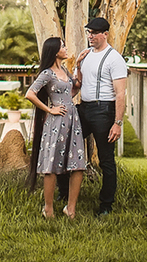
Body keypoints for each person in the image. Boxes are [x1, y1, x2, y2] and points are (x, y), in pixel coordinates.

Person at [64, 16, 128, 217]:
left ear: (105, 34)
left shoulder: (114, 59)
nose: (90, 36)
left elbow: (120, 93)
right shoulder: (86, 55)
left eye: (94, 33)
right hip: (84, 108)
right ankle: (63, 194)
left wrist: (117, 123)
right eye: (89, 32)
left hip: (104, 110)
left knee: (106, 159)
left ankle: (106, 205)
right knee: (66, 146)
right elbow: (78, 83)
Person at [26, 37, 87, 219]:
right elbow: (30, 94)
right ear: (54, 51)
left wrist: (78, 66)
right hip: (56, 122)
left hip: (72, 120)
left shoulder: (64, 71)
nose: (66, 48)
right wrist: (49, 109)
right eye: (63, 46)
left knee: (78, 164)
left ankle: (71, 209)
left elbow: (74, 90)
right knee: (51, 165)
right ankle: (48, 209)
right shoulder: (47, 73)